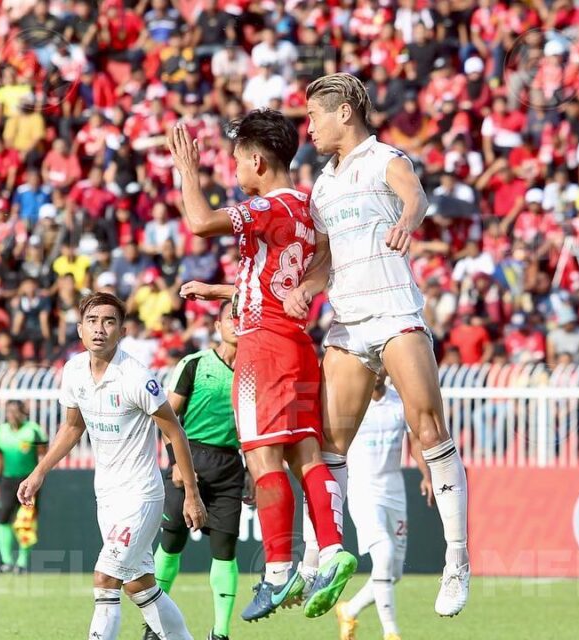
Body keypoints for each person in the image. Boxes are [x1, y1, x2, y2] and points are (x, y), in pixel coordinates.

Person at [288, 72, 469, 616]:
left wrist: (408, 220)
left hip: (393, 309)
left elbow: (414, 197)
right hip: (346, 320)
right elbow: (324, 258)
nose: (310, 127)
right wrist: (307, 287)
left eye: (315, 115)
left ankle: (457, 560)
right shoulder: (322, 183)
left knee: (428, 425)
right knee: (328, 447)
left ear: (344, 111)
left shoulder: (386, 158)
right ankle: (319, 555)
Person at [168, 110, 357, 621]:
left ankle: (277, 573)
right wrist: (223, 290)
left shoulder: (264, 208)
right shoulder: (306, 206)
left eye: (235, 163)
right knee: (306, 454)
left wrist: (187, 170)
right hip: (297, 345)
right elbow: (298, 269)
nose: (233, 172)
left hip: (261, 351)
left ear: (257, 161)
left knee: (262, 458)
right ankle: (335, 548)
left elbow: (201, 223)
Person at [18, 292, 205, 640]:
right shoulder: (73, 370)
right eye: (92, 321)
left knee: (105, 580)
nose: (99, 329)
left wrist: (192, 495)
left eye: (108, 322)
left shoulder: (136, 377)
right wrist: (39, 471)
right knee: (140, 585)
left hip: (141, 495)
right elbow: (73, 427)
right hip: (107, 496)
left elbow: (174, 432)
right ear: (79, 329)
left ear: (121, 331)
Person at [148, 301, 243, 640]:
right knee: (172, 544)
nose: (237, 322)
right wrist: (175, 462)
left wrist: (256, 474)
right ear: (218, 325)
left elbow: (254, 426)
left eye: (244, 316)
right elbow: (167, 417)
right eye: (232, 317)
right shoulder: (194, 364)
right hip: (190, 458)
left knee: (226, 549)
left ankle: (221, 633)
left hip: (231, 465)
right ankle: (154, 627)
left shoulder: (254, 370)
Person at [337, 372, 433, 640]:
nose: (378, 371)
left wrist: (426, 475)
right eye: (374, 366)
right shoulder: (351, 402)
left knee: (394, 572)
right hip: (364, 489)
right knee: (385, 552)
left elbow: (414, 442)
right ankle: (391, 632)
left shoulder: (399, 402)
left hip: (395, 490)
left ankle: (349, 609)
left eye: (383, 366)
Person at [0, 400, 48, 575]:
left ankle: (22, 563)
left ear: (24, 413)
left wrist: (39, 478)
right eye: (9, 411)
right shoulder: (1, 431)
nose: (12, 415)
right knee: (3, 518)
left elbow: (43, 456)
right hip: (8, 481)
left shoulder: (33, 430)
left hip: (28, 481)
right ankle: (6, 561)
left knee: (26, 520)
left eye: (15, 411)